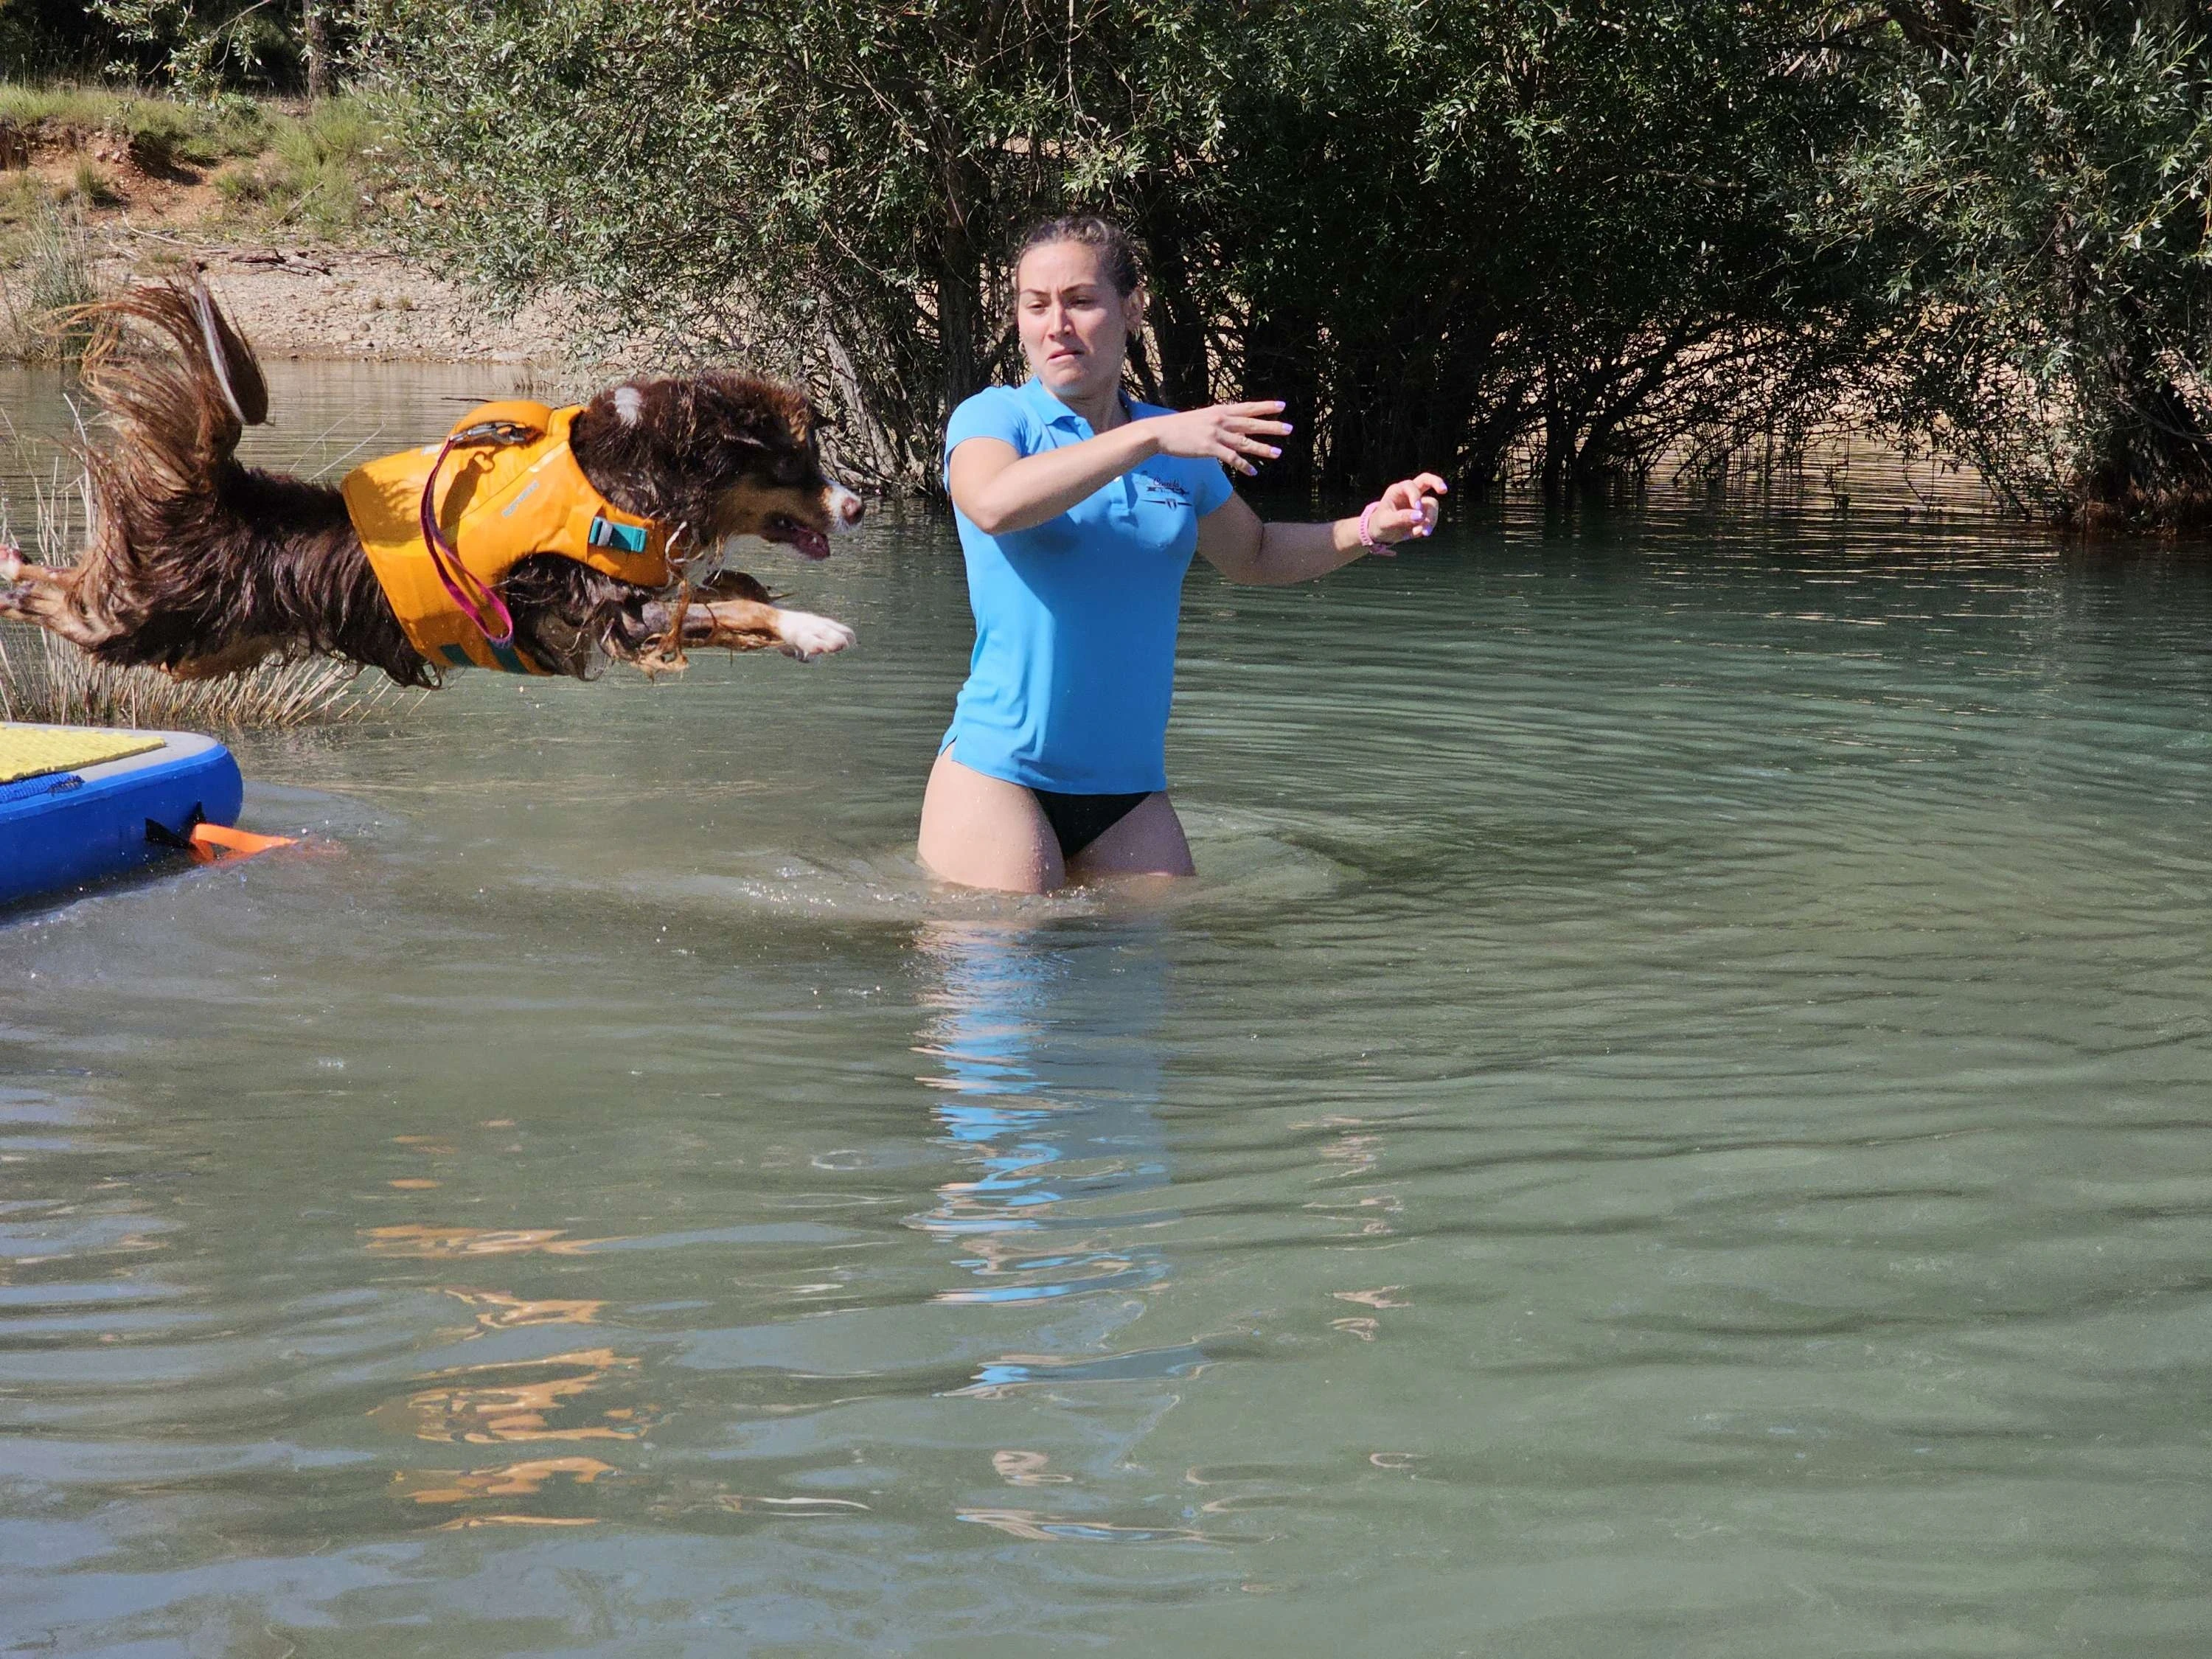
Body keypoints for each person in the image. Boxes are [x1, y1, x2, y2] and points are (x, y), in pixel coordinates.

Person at [919, 215, 1447, 893]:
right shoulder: (996, 418)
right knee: (1014, 948)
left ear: (1133, 309)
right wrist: (1147, 439)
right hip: (1000, 774)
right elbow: (992, 503)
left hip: (1127, 789)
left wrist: (1371, 527)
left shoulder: (1176, 441)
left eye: (1080, 301)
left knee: (1166, 949)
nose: (1057, 325)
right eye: (1036, 305)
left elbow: (1254, 553)